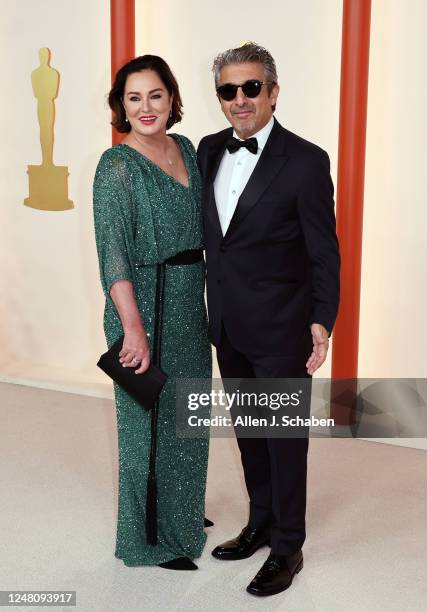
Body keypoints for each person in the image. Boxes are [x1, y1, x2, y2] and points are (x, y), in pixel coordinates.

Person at [197, 42, 340, 596]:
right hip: (228, 323)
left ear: (273, 92)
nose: (239, 100)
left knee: (284, 441)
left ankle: (288, 546)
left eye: (251, 87)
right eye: (228, 91)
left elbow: (325, 251)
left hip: (283, 326)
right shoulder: (209, 150)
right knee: (250, 434)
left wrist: (322, 320)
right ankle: (259, 523)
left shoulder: (306, 161)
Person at [93, 55, 212, 571]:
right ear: (121, 105)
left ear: (171, 98)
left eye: (155, 95)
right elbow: (112, 255)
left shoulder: (185, 148)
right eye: (133, 97)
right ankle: (152, 538)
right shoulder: (116, 166)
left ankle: (181, 507)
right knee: (149, 427)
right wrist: (133, 331)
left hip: (189, 301)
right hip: (143, 304)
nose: (145, 107)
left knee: (187, 415)